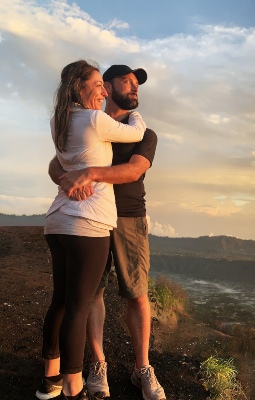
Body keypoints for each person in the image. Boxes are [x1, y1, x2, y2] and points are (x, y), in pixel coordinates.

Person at [48, 64, 166, 400]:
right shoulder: (89, 123)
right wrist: (67, 180)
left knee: (137, 293)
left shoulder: (145, 133)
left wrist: (88, 174)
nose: (134, 88)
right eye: (126, 81)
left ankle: (142, 367)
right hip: (90, 220)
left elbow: (133, 170)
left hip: (128, 218)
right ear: (108, 86)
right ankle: (98, 365)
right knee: (91, 295)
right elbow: (56, 162)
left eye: (137, 84)